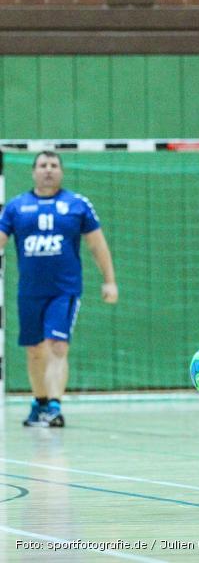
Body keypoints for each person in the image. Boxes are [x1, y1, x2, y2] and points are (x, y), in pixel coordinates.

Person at [0, 151, 118, 428]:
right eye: (43, 165)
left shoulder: (77, 205)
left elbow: (97, 244)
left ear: (61, 172)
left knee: (57, 345)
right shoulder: (16, 207)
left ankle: (54, 407)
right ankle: (39, 403)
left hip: (64, 290)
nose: (48, 170)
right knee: (34, 350)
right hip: (30, 292)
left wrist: (109, 280)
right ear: (33, 172)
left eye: (54, 165)